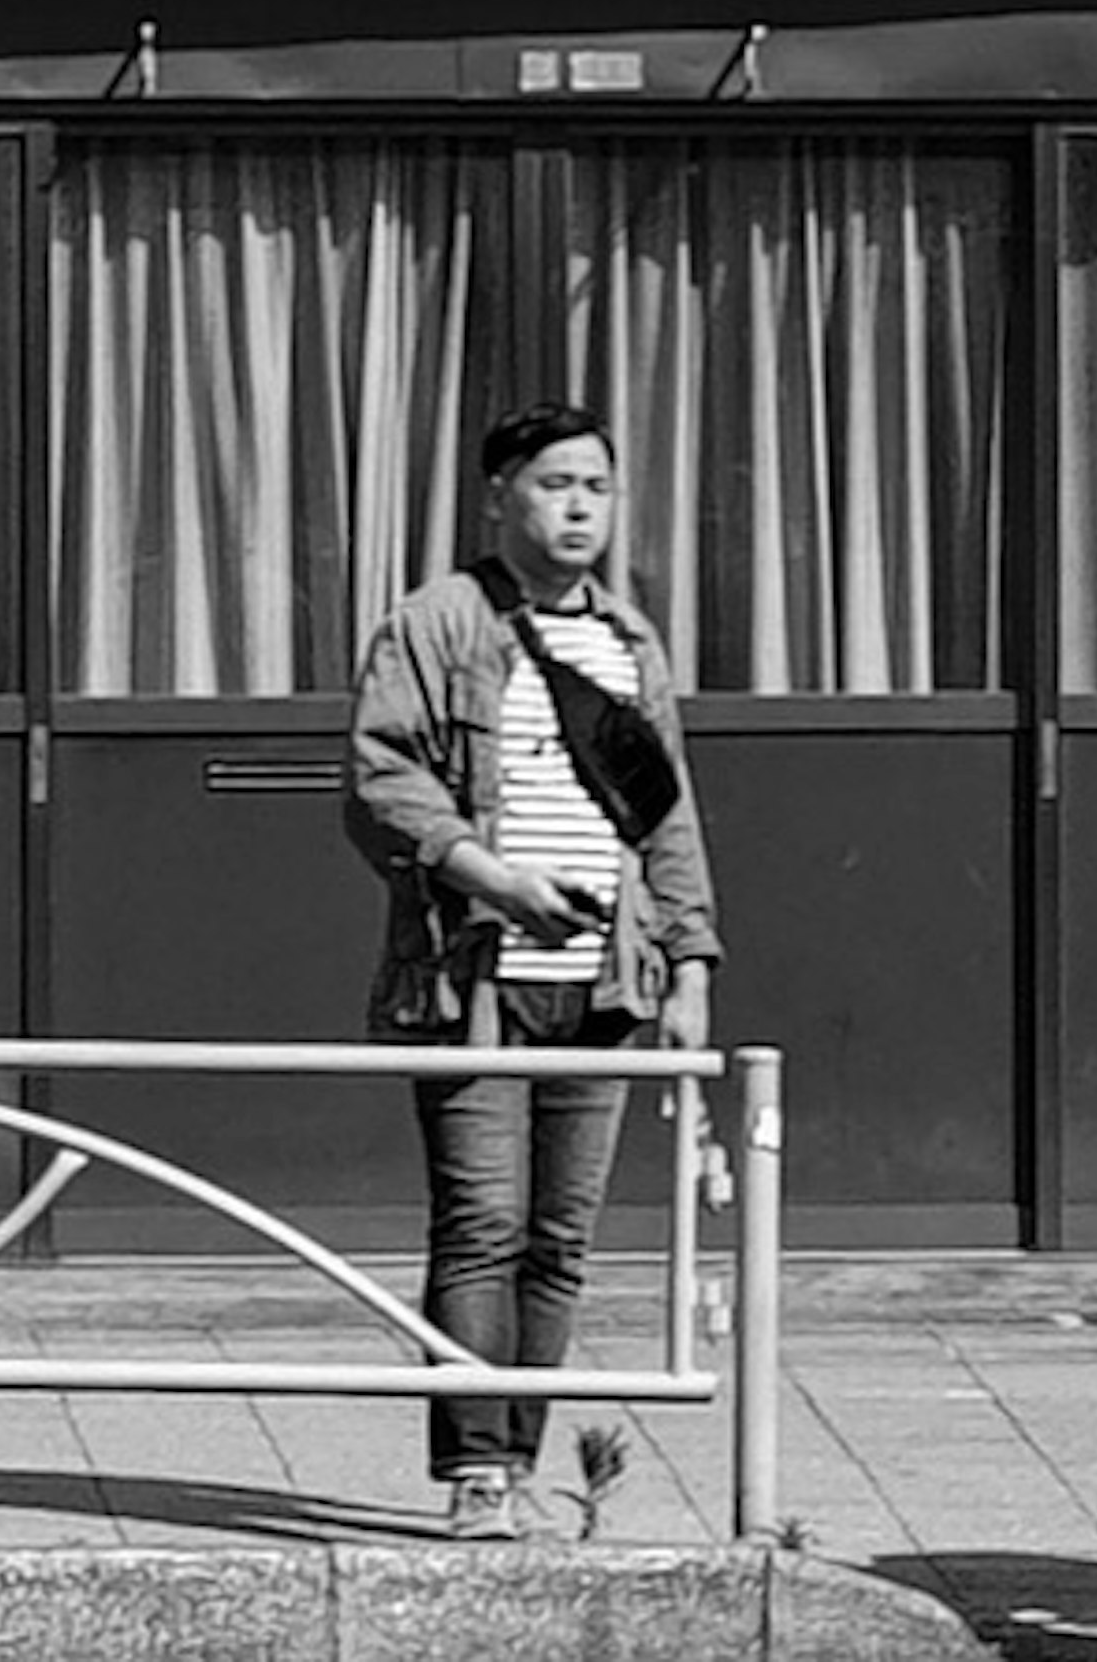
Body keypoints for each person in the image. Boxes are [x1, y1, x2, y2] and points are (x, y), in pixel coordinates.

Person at [344, 402, 721, 1541]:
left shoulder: (631, 640)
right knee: (482, 1225)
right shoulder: (435, 623)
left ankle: (520, 1457)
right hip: (473, 977)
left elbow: (665, 813)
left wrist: (690, 959)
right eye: (555, 484)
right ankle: (475, 1471)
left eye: (597, 487)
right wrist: (493, 877)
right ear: (498, 496)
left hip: (603, 982)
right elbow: (379, 781)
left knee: (561, 1239)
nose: (578, 508)